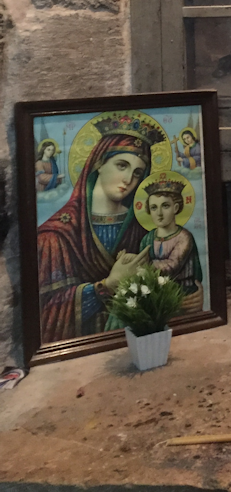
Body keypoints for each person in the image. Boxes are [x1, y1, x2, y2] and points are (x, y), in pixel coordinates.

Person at [37, 114, 165, 343]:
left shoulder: (143, 228)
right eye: (122, 165)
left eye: (138, 172)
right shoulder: (55, 236)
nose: (128, 179)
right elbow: (45, 313)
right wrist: (106, 286)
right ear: (98, 162)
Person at [138, 178, 203, 315]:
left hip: (183, 294)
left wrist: (142, 265)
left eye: (165, 206)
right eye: (154, 207)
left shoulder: (184, 237)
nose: (159, 213)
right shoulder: (147, 239)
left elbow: (171, 266)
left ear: (176, 208)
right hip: (156, 293)